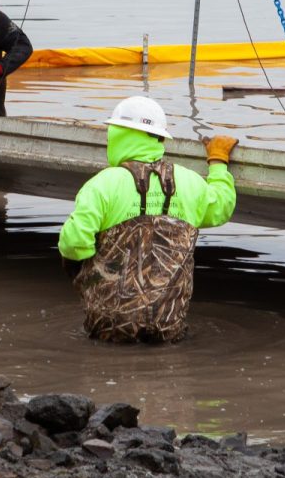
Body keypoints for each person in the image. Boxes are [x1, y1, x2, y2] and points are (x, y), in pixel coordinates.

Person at [58, 95, 238, 343]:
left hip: (109, 326)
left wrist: (94, 270)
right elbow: (221, 208)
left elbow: (73, 243)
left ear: (118, 134)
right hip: (169, 323)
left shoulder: (103, 184)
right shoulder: (189, 182)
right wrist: (218, 164)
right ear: (160, 137)